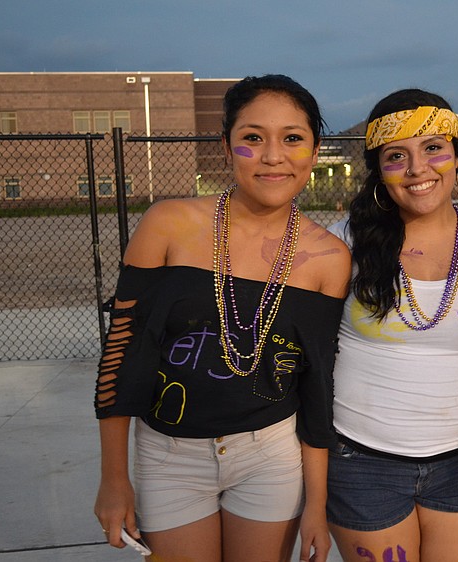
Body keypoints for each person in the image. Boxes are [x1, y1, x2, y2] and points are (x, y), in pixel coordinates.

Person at [93, 74, 351, 562]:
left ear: (314, 153)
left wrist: (316, 504)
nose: (273, 155)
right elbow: (124, 354)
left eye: (292, 139)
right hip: (170, 456)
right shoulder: (168, 224)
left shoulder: (329, 257)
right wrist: (113, 478)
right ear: (227, 147)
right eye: (252, 138)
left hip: (269, 456)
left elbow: (316, 386)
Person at [326, 89, 458, 562]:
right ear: (379, 170)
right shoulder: (343, 243)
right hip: (362, 461)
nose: (417, 168)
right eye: (395, 155)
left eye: (433, 148)